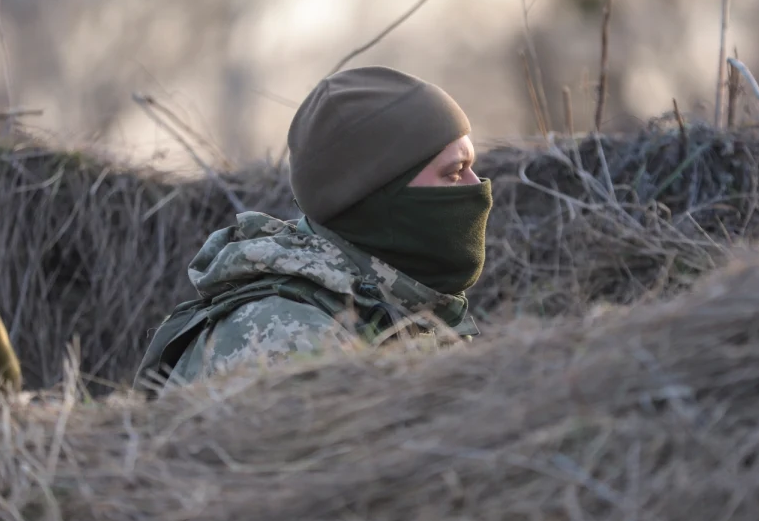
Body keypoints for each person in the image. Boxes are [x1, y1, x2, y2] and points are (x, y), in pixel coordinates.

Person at [135, 65, 493, 390]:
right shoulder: (283, 337)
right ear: (379, 196)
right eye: (454, 172)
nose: (476, 186)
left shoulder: (403, 311)